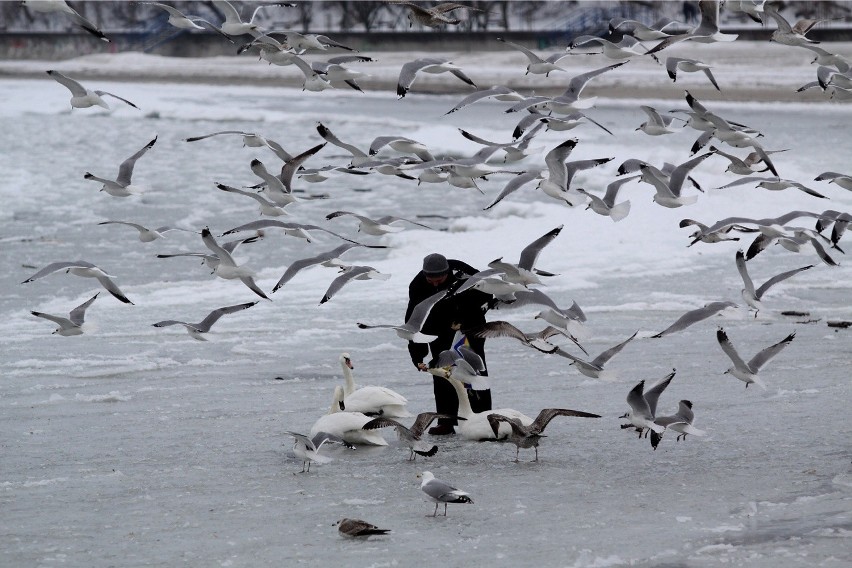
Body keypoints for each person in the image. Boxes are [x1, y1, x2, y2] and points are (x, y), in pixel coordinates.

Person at [406, 253, 493, 435]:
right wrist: (418, 355)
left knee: (473, 369)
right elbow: (413, 321)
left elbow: (487, 292)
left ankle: (483, 419)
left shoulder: (464, 272)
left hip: (470, 325)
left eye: (439, 279)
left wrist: (462, 317)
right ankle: (446, 421)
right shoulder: (418, 285)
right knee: (442, 372)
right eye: (431, 280)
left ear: (447, 272)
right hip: (438, 329)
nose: (435, 284)